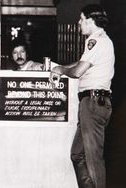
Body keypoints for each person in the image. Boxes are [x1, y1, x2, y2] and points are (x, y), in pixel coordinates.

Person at [50, 4, 114, 188]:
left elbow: (78, 71)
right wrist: (60, 68)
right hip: (93, 103)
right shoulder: (100, 41)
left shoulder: (96, 40)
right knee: (77, 154)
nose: (79, 23)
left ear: (90, 20)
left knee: (93, 159)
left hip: (93, 104)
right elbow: (82, 63)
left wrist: (60, 69)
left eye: (81, 19)